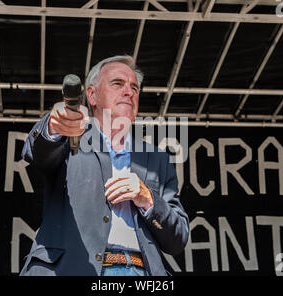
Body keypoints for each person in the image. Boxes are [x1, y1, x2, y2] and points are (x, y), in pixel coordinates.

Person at [19, 55, 189, 276]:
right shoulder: (71, 137)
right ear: (91, 95)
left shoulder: (156, 159)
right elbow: (38, 152)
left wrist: (147, 198)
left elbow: (178, 240)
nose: (129, 92)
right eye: (118, 83)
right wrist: (54, 126)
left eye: (134, 88)